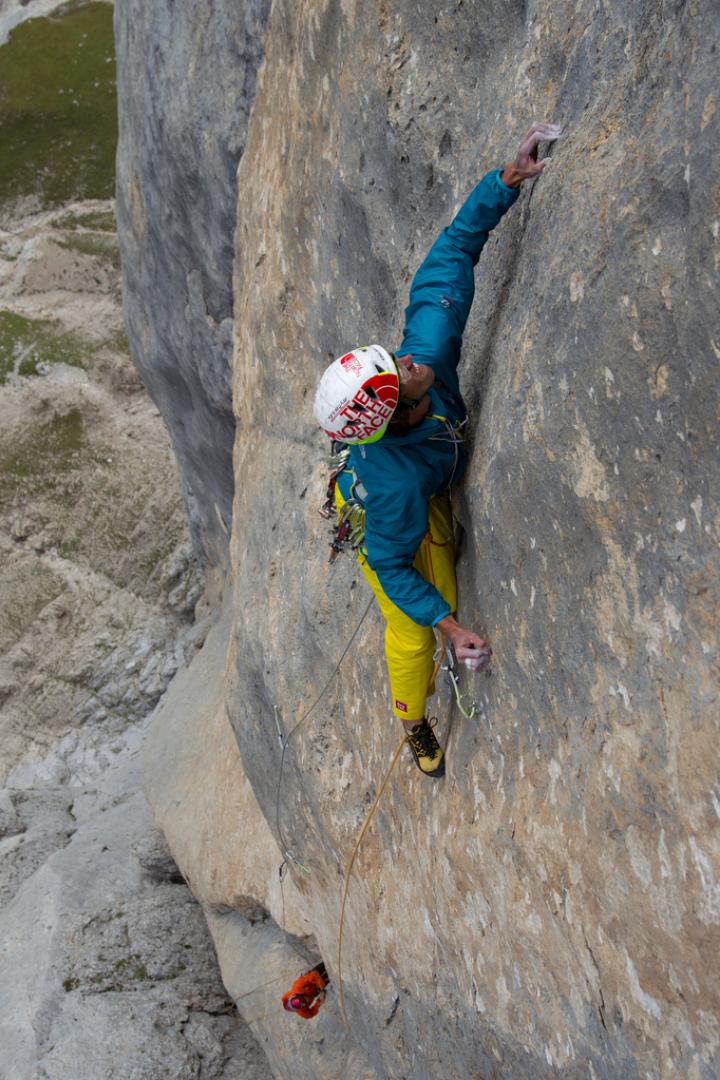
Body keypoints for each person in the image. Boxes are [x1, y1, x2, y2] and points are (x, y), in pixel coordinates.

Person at [313, 122, 562, 779]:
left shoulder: (419, 363)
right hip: (395, 517)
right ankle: (412, 719)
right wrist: (450, 629)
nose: (411, 359)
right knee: (415, 625)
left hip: (421, 479)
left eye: (395, 359)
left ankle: (425, 682)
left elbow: (449, 259)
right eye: (400, 371)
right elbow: (393, 568)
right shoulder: (392, 485)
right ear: (396, 410)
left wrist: (502, 185)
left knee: (440, 591)